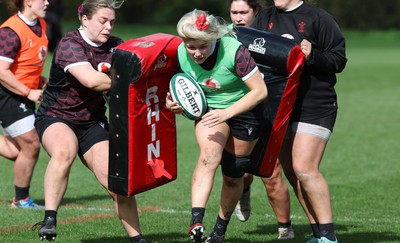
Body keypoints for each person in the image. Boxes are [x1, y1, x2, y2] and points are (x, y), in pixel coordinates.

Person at [31, 1, 147, 242]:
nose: (108, 27)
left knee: (117, 183)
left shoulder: (117, 46)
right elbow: (92, 81)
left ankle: (137, 239)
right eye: (102, 21)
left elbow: (145, 70)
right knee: (64, 150)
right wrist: (128, 80)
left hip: (92, 122)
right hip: (56, 116)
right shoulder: (70, 44)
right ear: (85, 20)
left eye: (112, 22)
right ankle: (50, 219)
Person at [166, 9, 268, 243]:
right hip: (210, 111)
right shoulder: (182, 52)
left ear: (213, 39)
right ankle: (196, 221)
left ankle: (219, 232)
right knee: (208, 156)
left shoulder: (235, 51)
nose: (197, 53)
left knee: (233, 175)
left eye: (203, 46)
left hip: (245, 110)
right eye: (192, 46)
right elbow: (179, 85)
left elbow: (260, 91)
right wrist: (172, 101)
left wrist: (228, 112)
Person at [252, 0, 347, 242]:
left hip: (313, 105)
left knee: (305, 168)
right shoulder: (264, 19)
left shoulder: (318, 18)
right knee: (294, 174)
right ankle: (318, 234)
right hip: (279, 106)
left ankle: (329, 236)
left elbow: (338, 60)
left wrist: (312, 54)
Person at [229, 0, 295, 240]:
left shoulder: (270, 39)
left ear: (256, 12)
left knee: (271, 172)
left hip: (270, 111)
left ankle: (285, 229)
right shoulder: (228, 39)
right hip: (240, 113)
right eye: (234, 12)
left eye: (243, 12)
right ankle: (244, 189)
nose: (238, 18)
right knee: (241, 170)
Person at [0, 0, 48, 209]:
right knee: (31, 143)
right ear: (28, 1)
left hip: (23, 92)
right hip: (7, 94)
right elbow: (1, 71)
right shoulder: (10, 31)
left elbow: (27, 60)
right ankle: (21, 200)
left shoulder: (41, 24)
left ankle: (21, 199)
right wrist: (28, 91)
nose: (47, 2)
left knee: (15, 151)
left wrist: (37, 79)